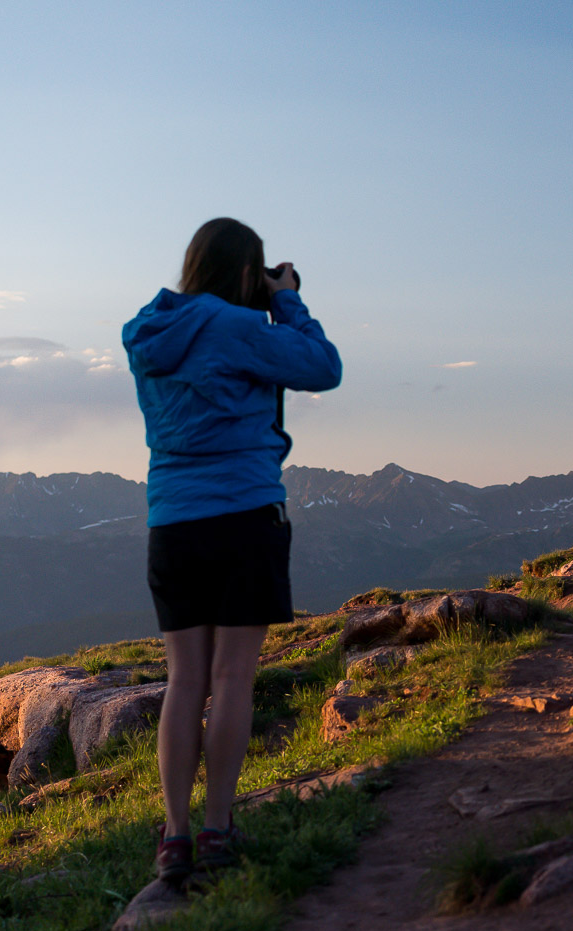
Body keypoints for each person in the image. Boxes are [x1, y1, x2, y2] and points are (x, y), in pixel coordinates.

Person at [122, 217, 343, 883]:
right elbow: (322, 368)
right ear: (247, 272)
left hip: (174, 525)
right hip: (245, 516)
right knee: (231, 679)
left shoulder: (148, 334)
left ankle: (175, 836)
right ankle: (218, 828)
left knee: (184, 681)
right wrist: (287, 298)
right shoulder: (239, 327)